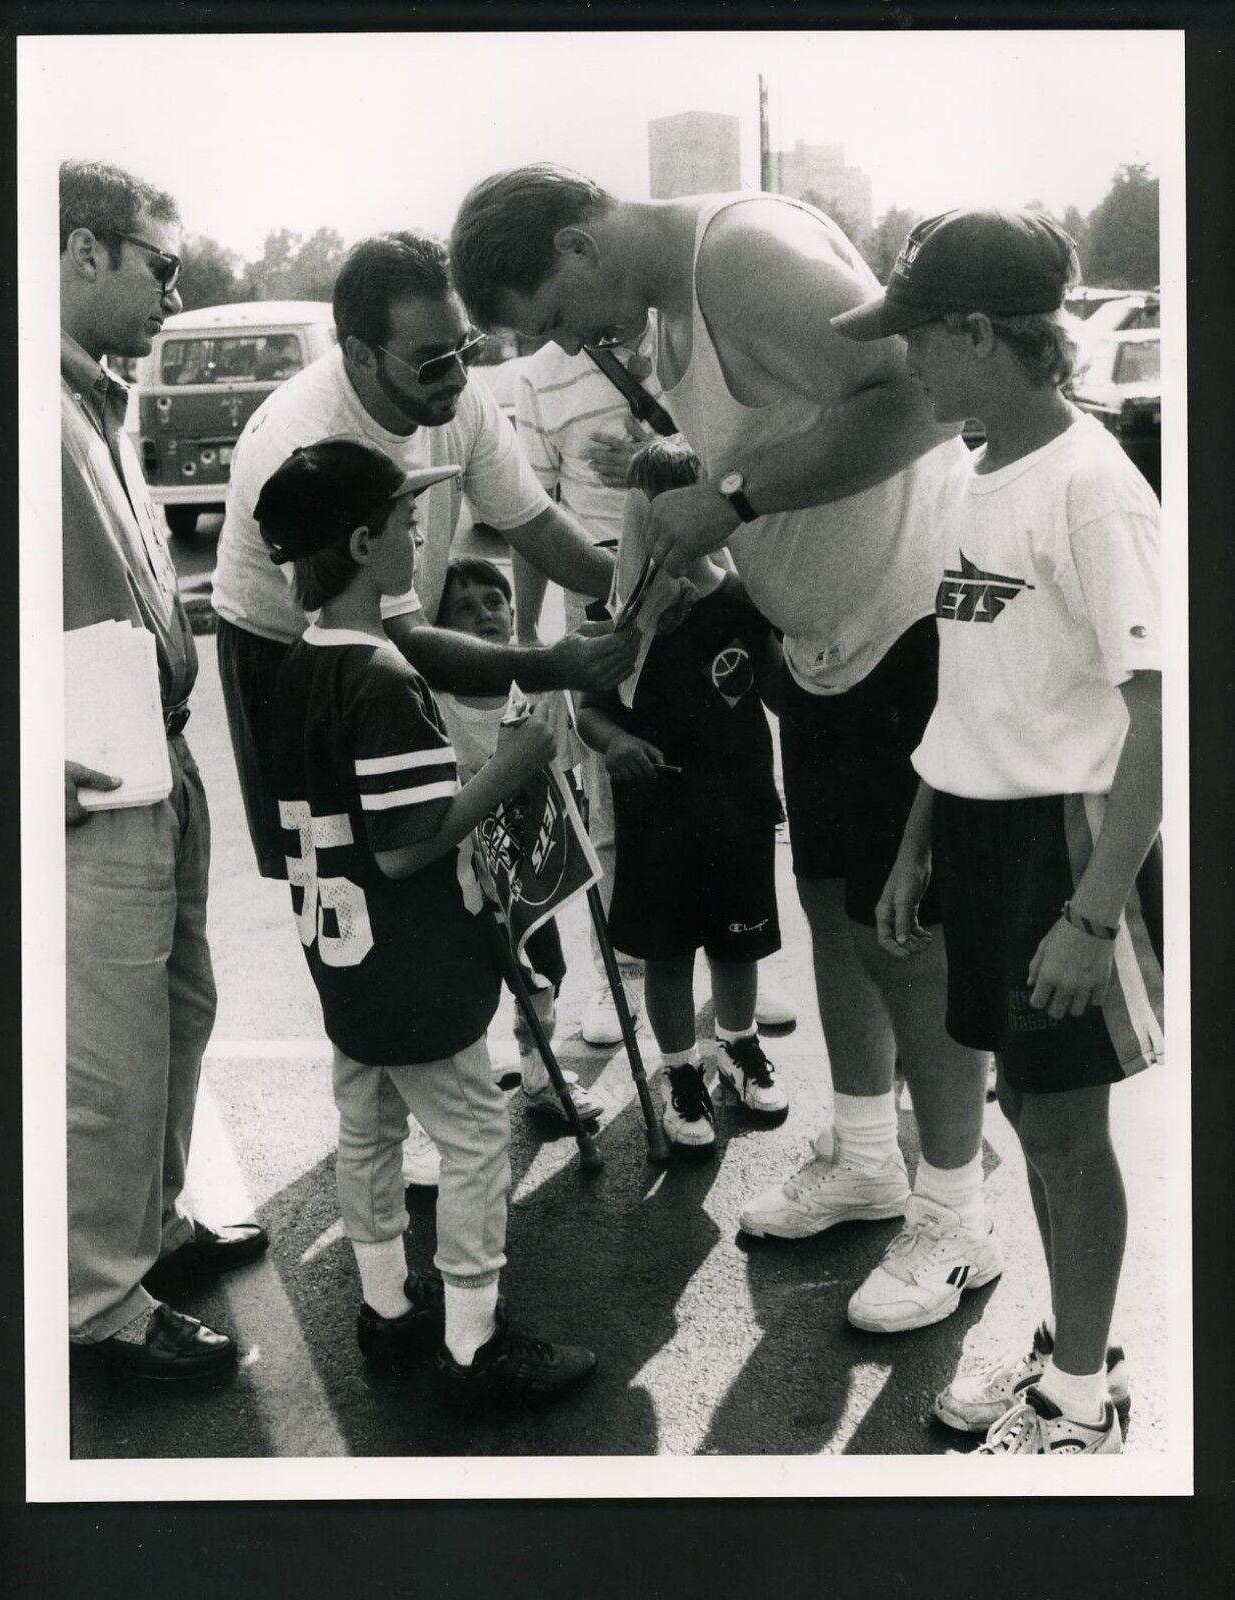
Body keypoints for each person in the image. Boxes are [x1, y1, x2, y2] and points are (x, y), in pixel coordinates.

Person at [451, 166, 994, 1333]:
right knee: (836, 904)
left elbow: (915, 403)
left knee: (909, 934)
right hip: (826, 647)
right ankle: (864, 1156)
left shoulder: (739, 255)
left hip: (905, 629)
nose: (567, 345)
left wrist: (734, 498)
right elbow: (796, 433)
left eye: (553, 315)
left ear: (579, 242)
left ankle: (956, 1214)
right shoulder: (667, 303)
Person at [211, 230, 637, 1186]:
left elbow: (531, 520)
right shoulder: (307, 433)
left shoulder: (460, 400)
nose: (456, 374)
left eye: (466, 349)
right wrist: (552, 659)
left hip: (388, 629)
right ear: (357, 354)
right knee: (346, 880)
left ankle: (463, 1072)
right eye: (431, 359)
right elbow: (400, 639)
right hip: (289, 654)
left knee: (441, 864)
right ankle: (387, 1091)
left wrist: (635, 579)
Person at [836, 207, 1161, 1454]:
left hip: (1067, 844)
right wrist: (919, 837)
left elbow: (1157, 719)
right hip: (976, 833)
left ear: (980, 331)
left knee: (1067, 1129)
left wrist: (1092, 915)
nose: (904, 361)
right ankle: (1071, 1344)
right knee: (1030, 1108)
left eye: (918, 336)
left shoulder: (1090, 492)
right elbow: (966, 685)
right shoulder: (976, 474)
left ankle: (1079, 1398)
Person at [257, 438, 598, 1406]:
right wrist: (513, 763)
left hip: (341, 956)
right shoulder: (382, 676)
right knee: (475, 1136)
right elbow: (407, 845)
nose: (418, 534)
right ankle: (473, 1340)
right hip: (410, 957)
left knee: (365, 1127)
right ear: (366, 543)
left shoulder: (298, 663)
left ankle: (386, 1310)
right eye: (406, 522)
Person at [61, 159, 266, 1382]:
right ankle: (95, 1307)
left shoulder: (96, 395)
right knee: (108, 1057)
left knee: (177, 1016)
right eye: (160, 263)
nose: (172, 291)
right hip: (88, 781)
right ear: (82, 251)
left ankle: (145, 1231)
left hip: (154, 756)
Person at [511, 323, 796, 1045]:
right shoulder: (538, 377)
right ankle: (630, 975)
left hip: (717, 577)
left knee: (735, 896)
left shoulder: (696, 338)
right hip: (610, 588)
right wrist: (524, 627)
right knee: (617, 823)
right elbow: (528, 512)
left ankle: (739, 1003)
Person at [576, 440, 790, 1154]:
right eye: (647, 509)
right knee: (667, 952)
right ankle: (680, 1070)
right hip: (657, 813)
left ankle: (738, 1044)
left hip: (737, 806)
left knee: (738, 943)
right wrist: (614, 743)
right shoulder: (622, 613)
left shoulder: (744, 597)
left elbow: (779, 689)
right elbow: (591, 709)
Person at [431, 555, 601, 1122]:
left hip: (528, 872)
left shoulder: (539, 688)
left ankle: (539, 1069)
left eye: (493, 602)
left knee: (544, 974)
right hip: (464, 882)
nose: (483, 614)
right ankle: (463, 1095)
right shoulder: (436, 705)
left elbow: (569, 774)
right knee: (466, 985)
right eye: (462, 608)